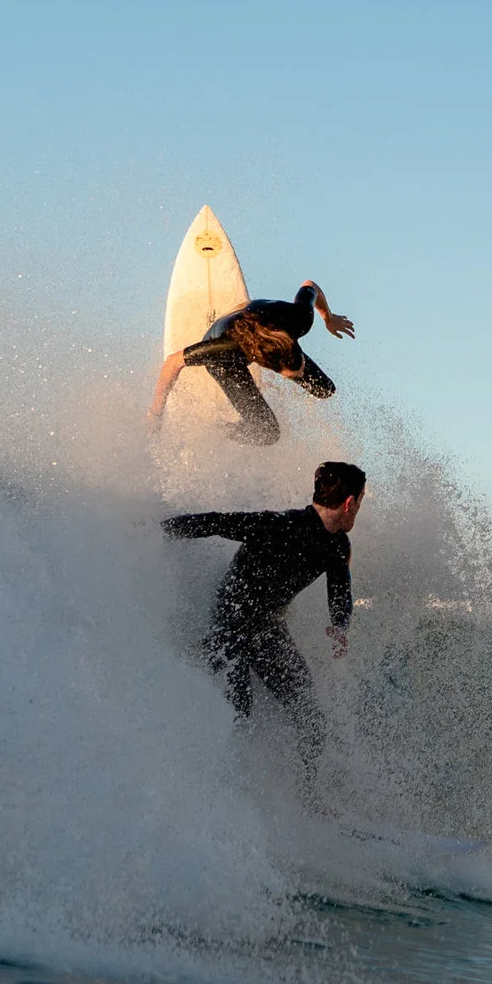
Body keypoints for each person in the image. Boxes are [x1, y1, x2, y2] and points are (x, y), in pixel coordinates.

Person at [162, 460, 367, 774]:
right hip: (231, 625)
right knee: (239, 712)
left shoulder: (338, 546)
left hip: (267, 629)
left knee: (311, 718)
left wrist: (340, 623)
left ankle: (309, 799)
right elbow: (217, 523)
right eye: (361, 501)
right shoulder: (281, 524)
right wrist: (157, 530)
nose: (359, 510)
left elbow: (340, 588)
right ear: (350, 503)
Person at [150, 283, 355, 446]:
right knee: (266, 433)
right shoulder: (226, 349)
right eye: (294, 373)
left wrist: (328, 318)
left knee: (325, 390)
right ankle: (218, 430)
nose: (302, 370)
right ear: (272, 367)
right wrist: (156, 413)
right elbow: (173, 361)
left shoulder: (299, 319)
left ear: (291, 340)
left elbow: (310, 285)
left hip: (259, 316)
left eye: (299, 364)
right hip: (226, 357)